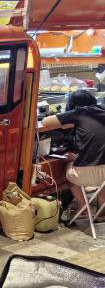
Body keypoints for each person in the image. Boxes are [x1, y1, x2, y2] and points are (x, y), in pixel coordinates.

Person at [42, 90, 105, 219]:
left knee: (70, 168)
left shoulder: (79, 112)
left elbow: (46, 122)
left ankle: (83, 208)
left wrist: (68, 115)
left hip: (83, 175)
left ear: (73, 105)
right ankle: (101, 213)